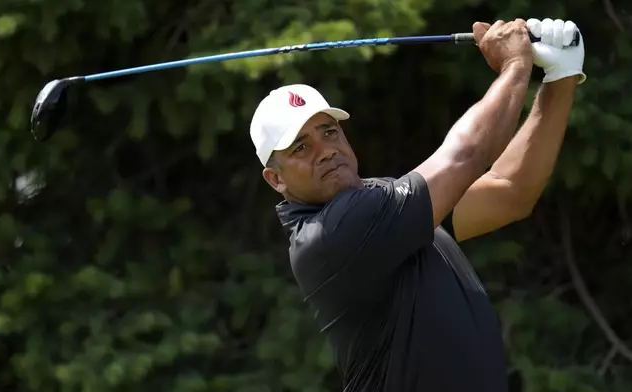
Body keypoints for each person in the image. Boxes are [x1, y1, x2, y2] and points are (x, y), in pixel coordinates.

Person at [249, 17, 586, 392]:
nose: (325, 150)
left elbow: (509, 190)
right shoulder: (330, 234)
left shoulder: (388, 205)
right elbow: (466, 155)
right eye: (300, 147)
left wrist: (561, 77)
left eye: (329, 131)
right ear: (275, 179)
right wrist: (516, 64)